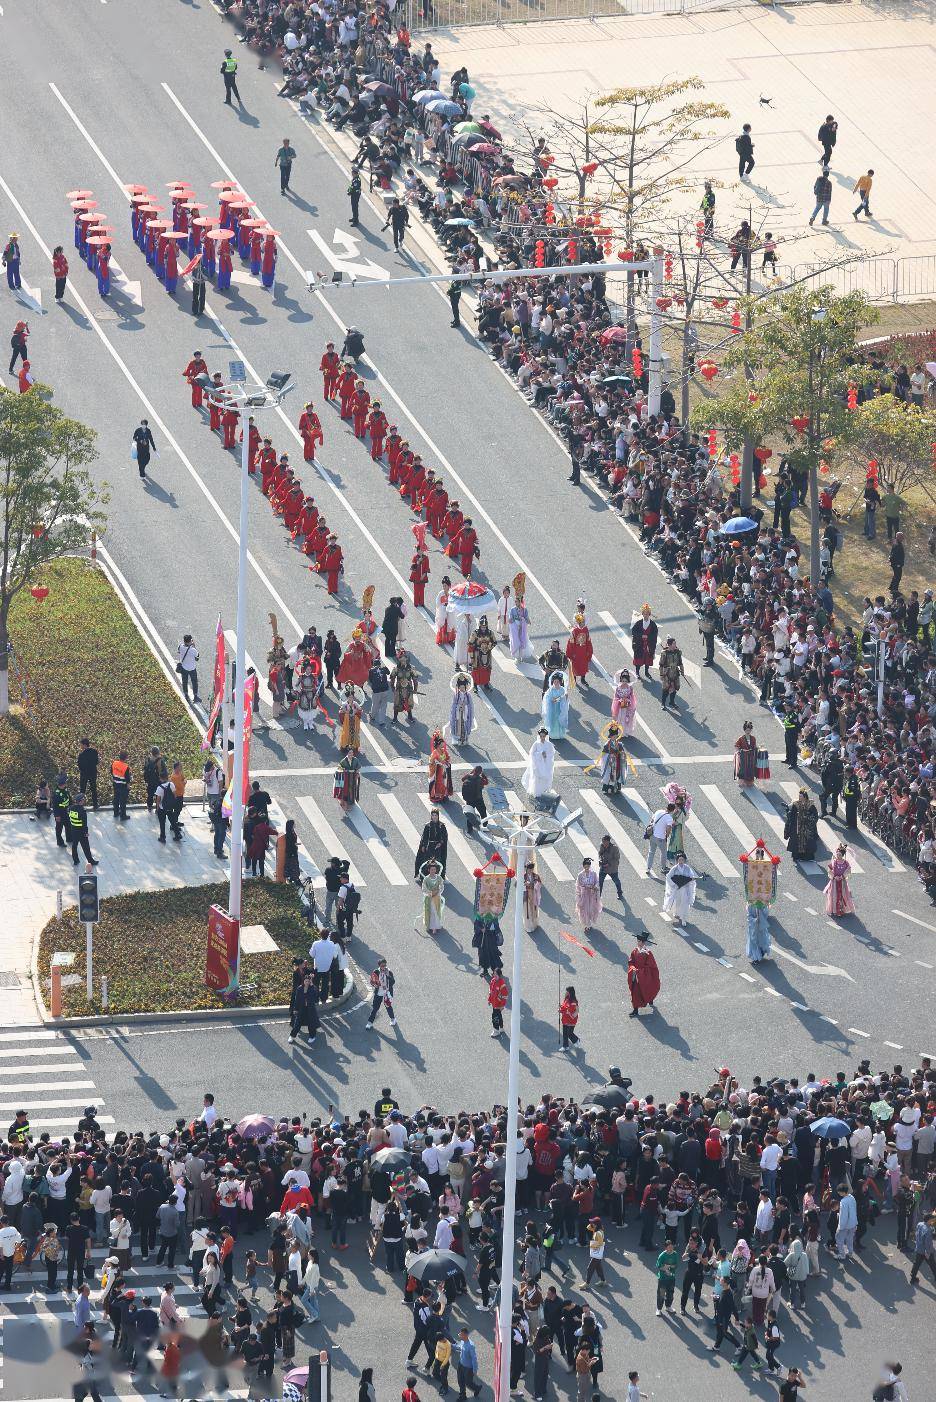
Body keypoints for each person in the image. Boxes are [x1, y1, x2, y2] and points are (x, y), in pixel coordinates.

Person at [627, 933, 660, 1017]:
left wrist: (639, 971)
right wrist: (632, 968)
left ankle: (650, 999)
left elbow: (651, 966)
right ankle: (635, 1010)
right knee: (635, 993)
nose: (637, 942)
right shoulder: (635, 951)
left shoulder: (648, 953)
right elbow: (631, 962)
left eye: (639, 941)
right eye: (637, 941)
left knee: (647, 989)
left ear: (643, 942)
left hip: (644, 976)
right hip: (635, 975)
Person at [663, 855, 699, 928]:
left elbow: (691, 876)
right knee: (677, 902)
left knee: (684, 903)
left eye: (682, 860)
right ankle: (676, 912)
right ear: (677, 861)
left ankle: (683, 918)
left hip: (685, 889)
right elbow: (668, 877)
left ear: (684, 860)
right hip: (677, 889)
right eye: (679, 860)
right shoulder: (674, 868)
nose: (681, 861)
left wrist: (690, 880)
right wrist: (674, 885)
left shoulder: (687, 868)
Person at [784, 789, 818, 862]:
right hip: (797, 827)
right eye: (799, 796)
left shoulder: (810, 805)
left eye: (801, 796)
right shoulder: (796, 804)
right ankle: (797, 857)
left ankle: (807, 857)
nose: (800, 798)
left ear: (805, 797)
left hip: (807, 827)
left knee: (808, 842)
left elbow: (815, 815)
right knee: (797, 842)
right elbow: (792, 815)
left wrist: (809, 819)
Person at [523, 727, 555, 801]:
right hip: (538, 765)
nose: (542, 738)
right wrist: (540, 754)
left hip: (546, 765)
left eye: (543, 736)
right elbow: (532, 753)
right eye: (541, 736)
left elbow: (552, 753)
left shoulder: (549, 744)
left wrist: (546, 755)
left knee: (545, 779)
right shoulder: (536, 744)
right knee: (537, 780)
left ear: (546, 736)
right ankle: (537, 792)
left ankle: (545, 792)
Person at [824, 843, 856, 918]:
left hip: (842, 883)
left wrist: (842, 876)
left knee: (843, 895)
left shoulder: (845, 863)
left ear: (843, 855)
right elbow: (829, 869)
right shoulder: (834, 862)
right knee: (834, 895)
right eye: (837, 855)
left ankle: (842, 909)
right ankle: (834, 910)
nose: (838, 856)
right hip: (834, 882)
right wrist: (834, 876)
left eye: (840, 855)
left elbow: (848, 870)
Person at [67, 794, 98, 867]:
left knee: (74, 845)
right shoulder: (82, 811)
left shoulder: (71, 808)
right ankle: (91, 861)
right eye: (83, 799)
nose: (84, 800)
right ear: (80, 801)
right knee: (86, 847)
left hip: (73, 830)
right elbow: (84, 824)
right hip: (81, 831)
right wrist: (86, 833)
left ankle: (75, 860)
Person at [366, 958, 396, 1029]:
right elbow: (372, 981)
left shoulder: (389, 972)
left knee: (388, 1006)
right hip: (379, 992)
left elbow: (393, 982)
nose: (384, 967)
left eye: (385, 965)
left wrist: (388, 976)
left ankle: (393, 1019)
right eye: (382, 966)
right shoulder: (376, 972)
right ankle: (370, 1023)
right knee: (375, 1008)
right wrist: (374, 985)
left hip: (386, 992)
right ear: (379, 966)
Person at [448, 671, 475, 746]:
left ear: (466, 687)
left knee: (465, 727)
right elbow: (453, 705)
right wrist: (458, 707)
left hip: (465, 714)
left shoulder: (468, 695)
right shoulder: (456, 695)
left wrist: (465, 707)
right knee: (458, 727)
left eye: (463, 687)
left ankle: (465, 740)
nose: (462, 689)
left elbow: (471, 705)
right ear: (458, 687)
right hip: (458, 714)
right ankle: (457, 740)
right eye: (461, 687)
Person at [418, 859, 445, 935]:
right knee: (430, 912)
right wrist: (430, 893)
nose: (433, 871)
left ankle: (434, 927)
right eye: (431, 869)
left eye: (434, 869)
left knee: (435, 912)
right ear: (429, 870)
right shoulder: (426, 879)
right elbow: (424, 888)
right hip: (429, 898)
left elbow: (442, 886)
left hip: (436, 898)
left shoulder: (439, 878)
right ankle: (429, 925)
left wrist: (438, 892)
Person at [541, 670, 570, 741]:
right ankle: (553, 734)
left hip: (560, 709)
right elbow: (548, 699)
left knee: (559, 720)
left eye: (557, 681)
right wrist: (557, 699)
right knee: (553, 721)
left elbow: (566, 700)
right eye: (555, 681)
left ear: (560, 682)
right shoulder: (550, 690)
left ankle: (560, 734)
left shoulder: (563, 690)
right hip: (552, 709)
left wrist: (566, 697)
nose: (556, 683)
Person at [631, 604, 658, 680]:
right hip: (639, 645)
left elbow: (654, 635)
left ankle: (646, 672)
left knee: (647, 660)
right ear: (642, 614)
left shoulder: (653, 625)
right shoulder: (638, 623)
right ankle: (637, 672)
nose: (646, 615)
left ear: (649, 614)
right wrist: (641, 636)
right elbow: (634, 632)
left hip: (648, 646)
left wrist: (648, 637)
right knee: (638, 660)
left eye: (647, 614)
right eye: (644, 614)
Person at [574, 859, 601, 933]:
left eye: (588, 867)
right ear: (583, 866)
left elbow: (597, 882)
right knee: (584, 910)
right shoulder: (580, 875)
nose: (587, 868)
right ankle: (587, 925)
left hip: (592, 894)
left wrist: (594, 887)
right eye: (585, 867)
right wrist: (581, 892)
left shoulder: (593, 873)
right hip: (584, 895)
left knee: (591, 909)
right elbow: (578, 886)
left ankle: (589, 923)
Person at [659, 636, 685, 710]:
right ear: (669, 645)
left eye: (675, 643)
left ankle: (672, 702)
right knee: (666, 689)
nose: (675, 644)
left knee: (675, 688)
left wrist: (682, 671)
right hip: (667, 673)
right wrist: (661, 674)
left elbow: (680, 663)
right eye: (674, 643)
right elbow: (661, 664)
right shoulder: (664, 653)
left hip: (675, 673)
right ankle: (663, 703)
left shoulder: (678, 652)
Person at [428, 731, 453, 802]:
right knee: (435, 782)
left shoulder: (443, 751)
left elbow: (447, 757)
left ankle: (443, 794)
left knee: (443, 781)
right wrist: (438, 763)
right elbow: (431, 762)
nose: (443, 744)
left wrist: (447, 760)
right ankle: (434, 795)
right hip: (436, 770)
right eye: (442, 743)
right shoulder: (434, 753)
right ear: (438, 744)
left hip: (443, 770)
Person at [611, 668, 637, 735]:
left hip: (627, 706)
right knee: (620, 718)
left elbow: (632, 696)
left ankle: (626, 732)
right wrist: (619, 701)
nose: (624, 682)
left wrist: (629, 701)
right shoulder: (618, 688)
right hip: (620, 707)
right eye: (623, 680)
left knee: (626, 719)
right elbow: (616, 697)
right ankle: (619, 731)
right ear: (621, 680)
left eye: (625, 680)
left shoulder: (630, 688)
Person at [597, 835, 623, 903]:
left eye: (605, 842)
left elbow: (617, 858)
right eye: (602, 842)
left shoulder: (614, 848)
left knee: (616, 881)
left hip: (612, 868)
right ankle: (598, 895)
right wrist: (600, 860)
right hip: (603, 867)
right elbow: (600, 853)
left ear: (608, 841)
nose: (603, 844)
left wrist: (608, 864)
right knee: (600, 882)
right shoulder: (602, 845)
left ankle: (619, 893)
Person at [77, 737, 99, 808]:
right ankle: (95, 804)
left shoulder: (81, 755)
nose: (80, 746)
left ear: (84, 745)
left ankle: (81, 805)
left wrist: (83, 770)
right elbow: (96, 762)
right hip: (93, 773)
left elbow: (79, 766)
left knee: (82, 790)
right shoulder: (94, 751)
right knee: (93, 788)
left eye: (81, 745)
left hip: (84, 774)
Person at [176, 634, 199, 702]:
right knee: (194, 682)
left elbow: (179, 652)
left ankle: (186, 695)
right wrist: (194, 646)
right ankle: (195, 696)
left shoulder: (180, 646)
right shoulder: (193, 650)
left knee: (185, 681)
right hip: (192, 669)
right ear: (190, 641)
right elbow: (197, 658)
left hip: (183, 668)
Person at [734, 721, 758, 786]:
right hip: (743, 756)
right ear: (744, 730)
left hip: (751, 756)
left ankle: (749, 781)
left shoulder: (753, 738)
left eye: (749, 730)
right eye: (747, 730)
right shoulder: (741, 738)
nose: (748, 731)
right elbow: (736, 746)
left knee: (750, 768)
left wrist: (758, 749)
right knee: (743, 769)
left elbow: (755, 746)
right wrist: (740, 751)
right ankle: (741, 781)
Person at [110, 751, 131, 820]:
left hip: (115, 784)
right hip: (123, 786)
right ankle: (123, 815)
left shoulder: (114, 763)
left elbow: (111, 771)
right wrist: (128, 786)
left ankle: (116, 813)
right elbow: (127, 778)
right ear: (126, 758)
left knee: (116, 799)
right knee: (123, 801)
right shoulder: (126, 767)